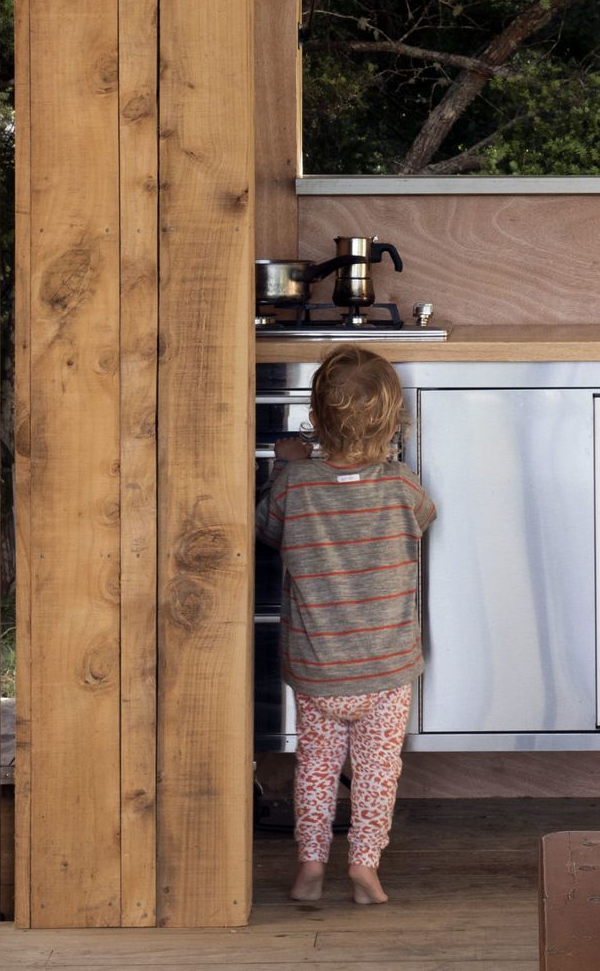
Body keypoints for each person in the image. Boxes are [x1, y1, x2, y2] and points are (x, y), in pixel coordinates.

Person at [256, 345, 436, 906]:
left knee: (315, 764)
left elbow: (267, 529)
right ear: (393, 425)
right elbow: (425, 518)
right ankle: (364, 867)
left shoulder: (294, 485)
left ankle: (310, 866)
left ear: (315, 419)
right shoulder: (402, 485)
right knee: (379, 767)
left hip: (319, 667)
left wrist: (286, 463)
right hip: (385, 668)